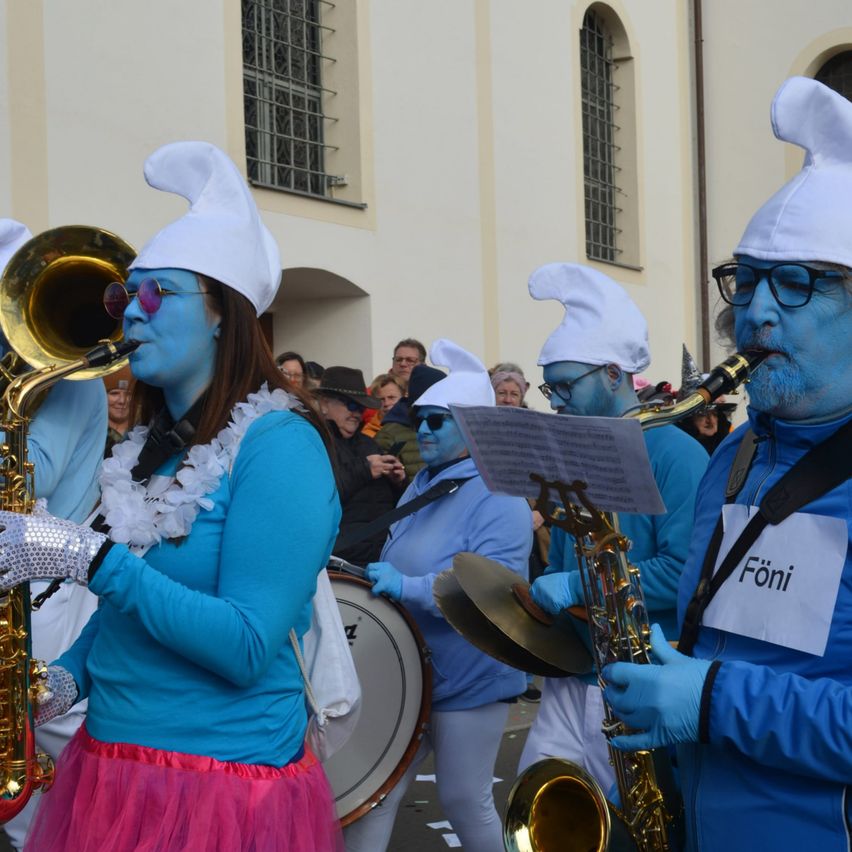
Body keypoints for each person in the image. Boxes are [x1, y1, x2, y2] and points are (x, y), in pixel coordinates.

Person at [0, 142, 343, 852]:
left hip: (220, 792)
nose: (131, 316)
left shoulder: (280, 447)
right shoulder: (154, 446)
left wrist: (91, 560)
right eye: (123, 297)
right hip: (111, 771)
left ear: (223, 311)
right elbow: (132, 621)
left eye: (157, 294)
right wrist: (59, 684)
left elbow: (247, 645)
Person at [602, 77, 852, 851]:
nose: (757, 311)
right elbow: (725, 636)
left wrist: (710, 700)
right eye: (746, 279)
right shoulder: (736, 455)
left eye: (797, 282)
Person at [518, 262, 708, 791]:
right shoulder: (573, 451)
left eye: (564, 387)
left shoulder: (676, 453)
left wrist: (576, 585)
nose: (555, 403)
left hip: (644, 677)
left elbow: (683, 573)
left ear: (612, 373)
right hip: (575, 676)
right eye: (548, 388)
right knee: (534, 805)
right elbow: (559, 564)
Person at [344, 339, 532, 852]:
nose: (422, 430)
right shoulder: (427, 481)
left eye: (436, 421)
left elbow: (491, 590)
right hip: (409, 671)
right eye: (418, 418)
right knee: (375, 793)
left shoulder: (501, 497)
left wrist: (405, 587)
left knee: (463, 799)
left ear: (471, 425)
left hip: (469, 676)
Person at [0, 219, 110, 852]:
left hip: (48, 587)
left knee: (50, 736)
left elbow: (28, 475)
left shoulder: (68, 380)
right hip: (26, 581)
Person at [316, 366, 405, 564]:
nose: (356, 413)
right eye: (350, 405)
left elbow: (387, 504)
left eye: (360, 407)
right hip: (338, 562)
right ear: (324, 404)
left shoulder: (368, 443)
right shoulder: (315, 442)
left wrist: (397, 481)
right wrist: (365, 470)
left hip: (379, 559)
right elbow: (319, 496)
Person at [373, 362, 444, 483]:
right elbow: (381, 489)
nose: (386, 403)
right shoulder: (388, 434)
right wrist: (400, 481)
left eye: (391, 397)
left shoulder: (448, 425)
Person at [103, 364, 136, 456]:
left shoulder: (144, 429)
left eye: (128, 394)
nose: (122, 400)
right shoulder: (93, 431)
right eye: (114, 394)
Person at [361, 373, 405, 438]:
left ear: (404, 398)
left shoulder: (418, 427)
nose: (386, 403)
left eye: (391, 397)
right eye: (381, 399)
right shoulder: (367, 436)